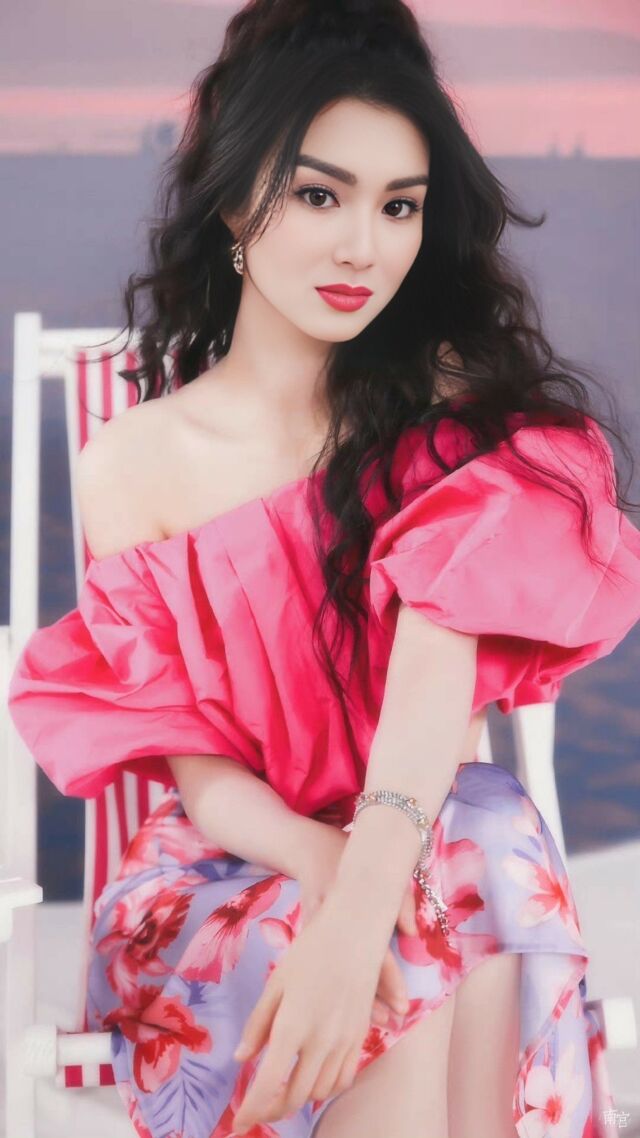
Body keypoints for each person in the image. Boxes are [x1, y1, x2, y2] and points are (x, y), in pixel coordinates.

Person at [7, 1, 640, 1135]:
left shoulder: (447, 421)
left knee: (474, 838)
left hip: (424, 835)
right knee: (444, 882)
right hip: (226, 871)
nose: (363, 247)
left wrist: (361, 902)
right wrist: (326, 870)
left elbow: (437, 721)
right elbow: (203, 781)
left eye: (399, 205)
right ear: (235, 201)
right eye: (318, 195)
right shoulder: (134, 465)